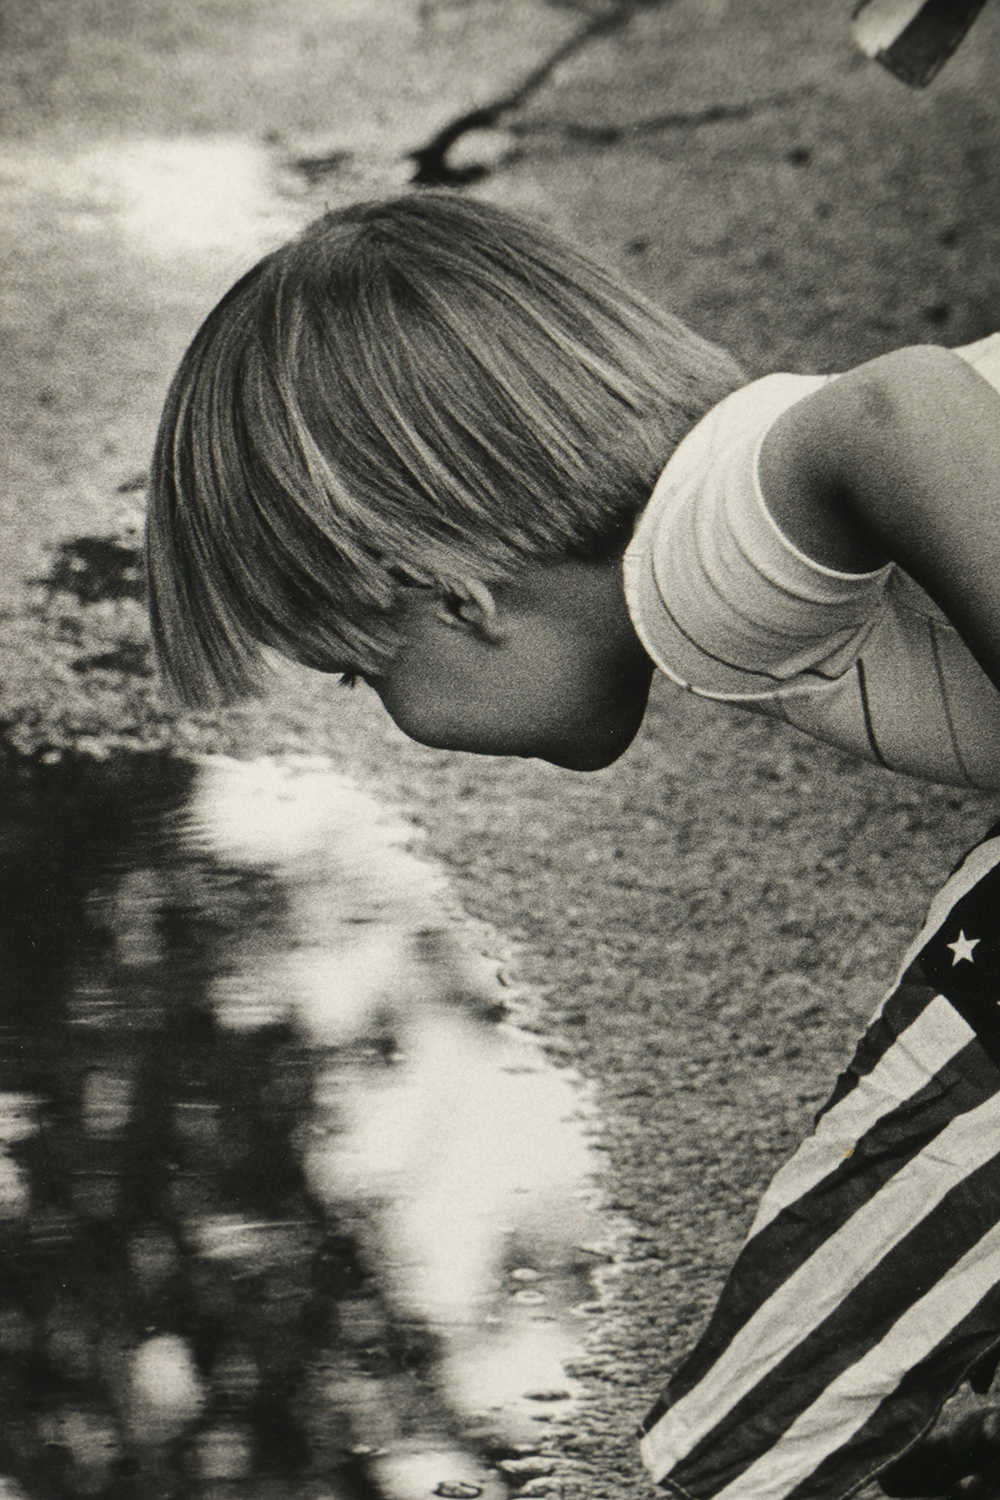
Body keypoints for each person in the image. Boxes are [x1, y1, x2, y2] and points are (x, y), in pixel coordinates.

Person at [146, 192, 1000, 1500]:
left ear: (454, 592)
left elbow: (901, 410)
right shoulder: (727, 530)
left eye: (357, 674)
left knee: (780, 1413)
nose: (397, 720)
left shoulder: (700, 562)